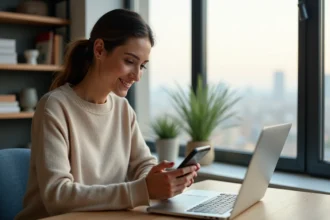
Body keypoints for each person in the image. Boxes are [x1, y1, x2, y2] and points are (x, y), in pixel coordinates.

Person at [15, 9, 200, 220]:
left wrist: (160, 178)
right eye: (130, 61)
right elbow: (58, 197)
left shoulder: (123, 109)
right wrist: (143, 190)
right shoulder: (54, 107)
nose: (137, 76)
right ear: (100, 49)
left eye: (142, 66)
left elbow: (142, 164)